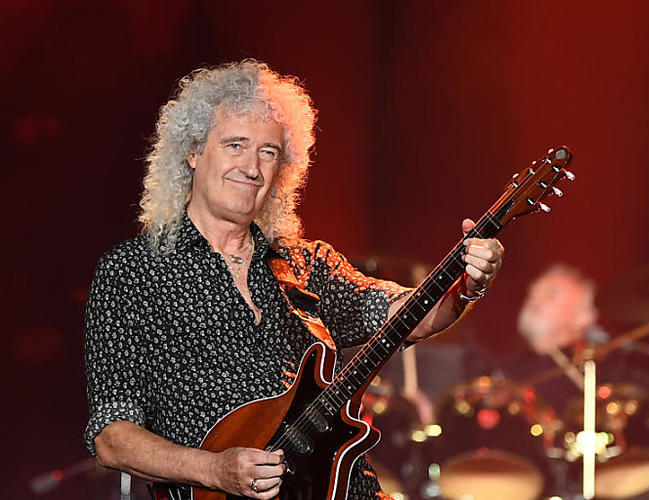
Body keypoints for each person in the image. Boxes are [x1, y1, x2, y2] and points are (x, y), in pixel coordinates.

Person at [83, 60, 504, 500]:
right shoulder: (133, 271)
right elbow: (111, 436)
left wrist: (465, 287)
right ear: (192, 152)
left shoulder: (306, 263)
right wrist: (213, 469)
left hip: (343, 489)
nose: (252, 167)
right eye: (235, 145)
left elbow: (406, 315)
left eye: (268, 152)